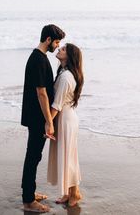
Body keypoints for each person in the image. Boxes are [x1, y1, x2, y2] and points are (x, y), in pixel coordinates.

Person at [21, 24, 65, 213]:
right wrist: (48, 120)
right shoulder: (38, 60)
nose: (57, 45)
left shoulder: (39, 57)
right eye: (56, 42)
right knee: (33, 156)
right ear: (48, 39)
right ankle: (29, 201)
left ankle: (29, 193)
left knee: (34, 155)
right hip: (37, 117)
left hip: (35, 116)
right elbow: (42, 93)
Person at [47, 43, 84, 207]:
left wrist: (48, 123)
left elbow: (57, 104)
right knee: (68, 156)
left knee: (69, 158)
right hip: (66, 118)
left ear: (69, 56)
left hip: (65, 120)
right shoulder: (63, 73)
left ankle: (75, 192)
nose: (59, 50)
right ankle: (70, 192)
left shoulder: (66, 77)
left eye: (63, 49)